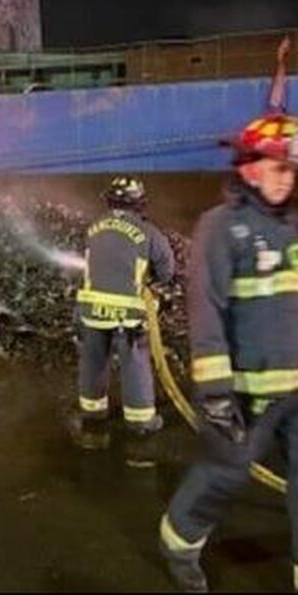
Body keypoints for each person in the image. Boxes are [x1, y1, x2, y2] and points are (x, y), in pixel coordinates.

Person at [158, 38, 298, 592]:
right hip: (245, 397)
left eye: (291, 170)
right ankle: (178, 541)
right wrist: (216, 393)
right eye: (276, 167)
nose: (285, 178)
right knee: (224, 475)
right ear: (248, 168)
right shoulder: (219, 229)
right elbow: (206, 312)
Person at [74, 176, 176, 435]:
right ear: (140, 203)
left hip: (91, 308)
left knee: (93, 359)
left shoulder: (93, 227)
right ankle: (140, 420)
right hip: (128, 313)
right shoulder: (148, 232)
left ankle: (93, 412)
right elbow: (167, 269)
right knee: (135, 360)